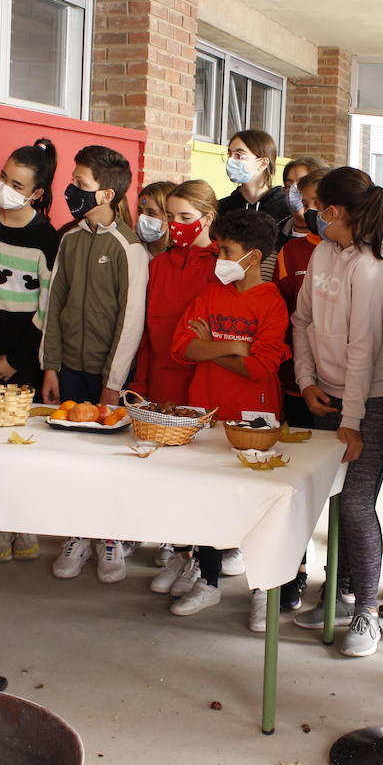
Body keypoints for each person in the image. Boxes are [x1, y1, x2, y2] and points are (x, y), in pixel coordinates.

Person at [290, 167, 383, 657]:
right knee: (333, 500)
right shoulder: (323, 251)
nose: (309, 214)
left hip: (373, 397)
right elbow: (302, 320)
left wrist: (351, 421)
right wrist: (307, 381)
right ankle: (335, 594)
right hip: (326, 391)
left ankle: (364, 609)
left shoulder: (376, 266)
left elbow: (363, 348)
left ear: (333, 211)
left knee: (357, 502)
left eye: (315, 205)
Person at [169, 210, 290, 624]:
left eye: (226, 251)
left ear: (253, 257)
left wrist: (215, 345)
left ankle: (262, 588)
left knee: (256, 504)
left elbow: (262, 366)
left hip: (255, 418)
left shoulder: (271, 302)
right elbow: (182, 347)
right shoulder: (209, 294)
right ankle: (209, 579)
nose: (217, 256)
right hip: (206, 411)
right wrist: (237, 348)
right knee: (204, 497)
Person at [42, 145, 148, 586]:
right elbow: (54, 306)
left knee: (107, 463)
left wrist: (113, 384)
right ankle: (76, 535)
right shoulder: (68, 239)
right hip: (68, 368)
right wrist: (49, 365)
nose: (70, 189)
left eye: (80, 185)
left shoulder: (130, 248)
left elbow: (131, 322)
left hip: (107, 377)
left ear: (105, 194)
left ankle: (109, 538)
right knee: (70, 459)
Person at [134, 179, 222, 594]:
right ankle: (179, 549)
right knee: (166, 477)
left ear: (207, 218)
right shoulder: (159, 265)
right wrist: (141, 382)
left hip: (199, 382)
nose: (175, 225)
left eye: (185, 218)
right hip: (161, 381)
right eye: (171, 217)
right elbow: (149, 330)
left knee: (202, 480)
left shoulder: (221, 267)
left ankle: (204, 567)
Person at [0, 138, 60, 399]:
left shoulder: (47, 241)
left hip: (22, 365)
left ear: (36, 194)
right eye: (3, 177)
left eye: (16, 185)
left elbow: (46, 310)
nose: (4, 187)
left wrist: (15, 360)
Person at [274, 168, 327, 433]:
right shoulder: (290, 252)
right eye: (306, 204)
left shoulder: (356, 254)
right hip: (297, 378)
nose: (311, 211)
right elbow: (283, 314)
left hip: (340, 381)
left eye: (319, 203)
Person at [136, 179, 176, 257]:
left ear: (169, 217)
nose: (141, 218)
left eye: (151, 213)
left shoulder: (179, 258)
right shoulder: (131, 249)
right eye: (140, 211)